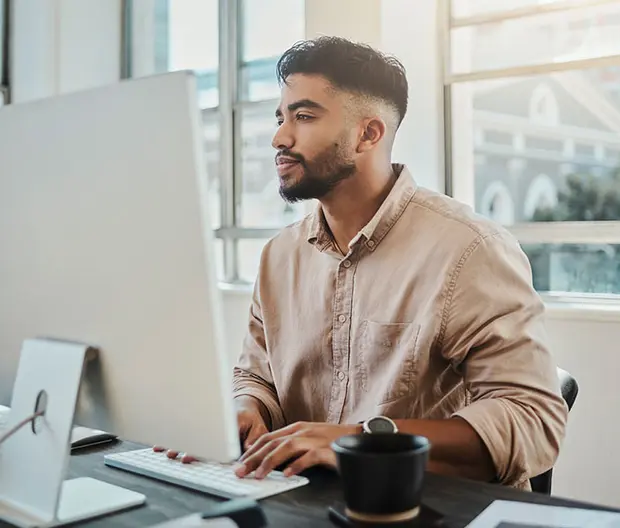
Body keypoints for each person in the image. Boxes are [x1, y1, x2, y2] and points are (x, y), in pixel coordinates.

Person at [169, 36, 568, 490]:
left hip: (426, 510)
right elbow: (256, 376)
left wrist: (360, 442)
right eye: (280, 118)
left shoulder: (470, 249)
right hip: (302, 503)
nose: (279, 137)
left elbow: (533, 418)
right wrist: (246, 410)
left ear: (368, 134)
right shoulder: (279, 256)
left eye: (303, 116)